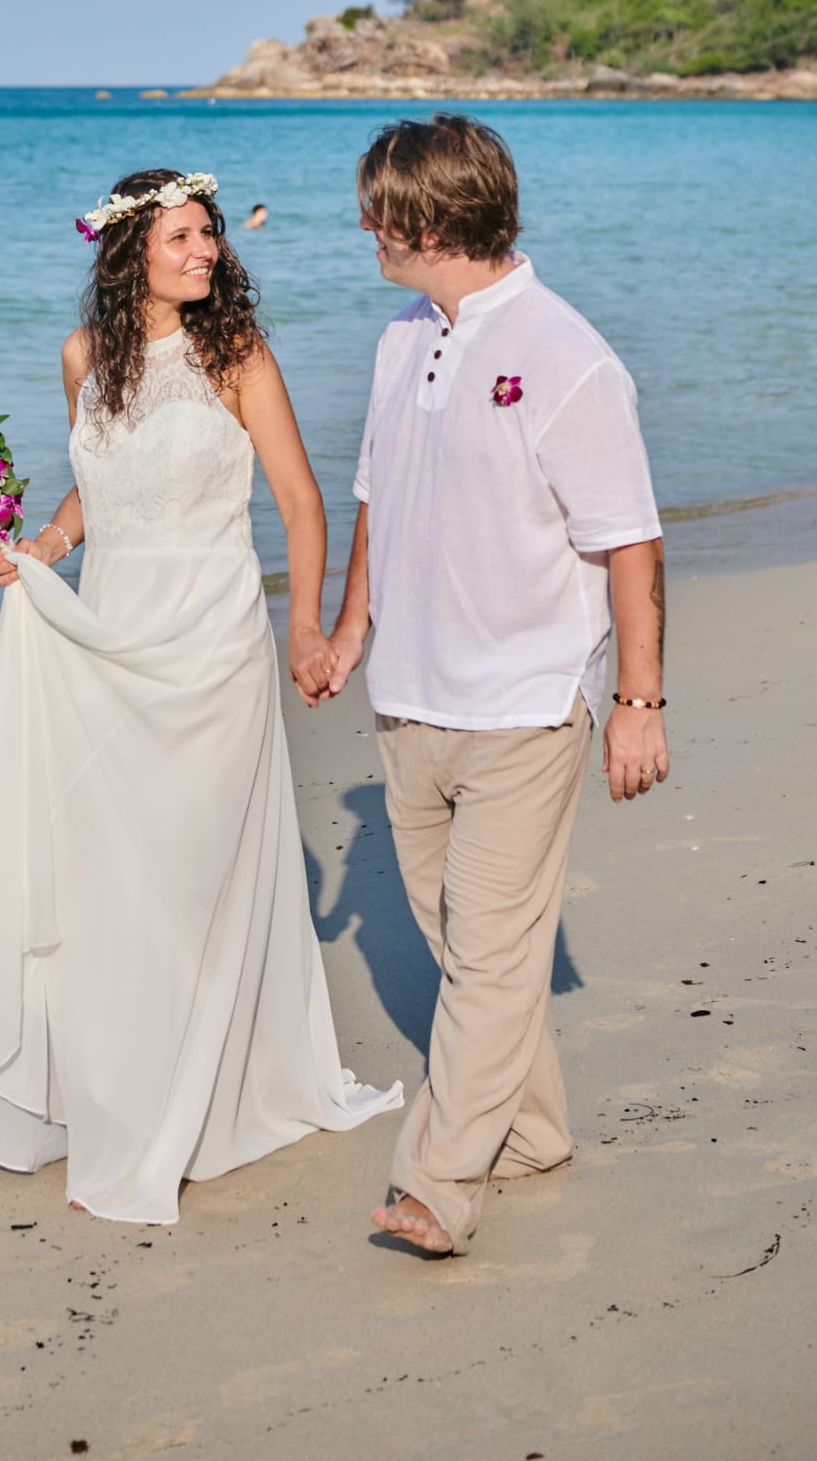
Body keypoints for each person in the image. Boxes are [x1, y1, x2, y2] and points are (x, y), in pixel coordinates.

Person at [0, 168, 400, 1224]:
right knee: (113, 873)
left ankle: (187, 1112)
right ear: (130, 253)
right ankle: (120, 1095)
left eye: (209, 235)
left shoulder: (236, 353)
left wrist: (303, 626)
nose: (205, 252)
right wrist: (47, 544)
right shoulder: (84, 358)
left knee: (188, 869)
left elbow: (300, 501)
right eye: (182, 237)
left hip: (213, 646)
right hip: (112, 641)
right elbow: (97, 481)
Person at [294, 115, 666, 1258]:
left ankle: (440, 1187)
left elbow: (632, 545)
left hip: (524, 705)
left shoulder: (568, 356)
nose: (364, 229)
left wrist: (640, 706)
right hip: (409, 700)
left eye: (377, 211)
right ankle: (535, 1131)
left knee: (494, 953)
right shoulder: (404, 337)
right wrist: (349, 628)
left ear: (429, 219)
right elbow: (374, 496)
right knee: (468, 949)